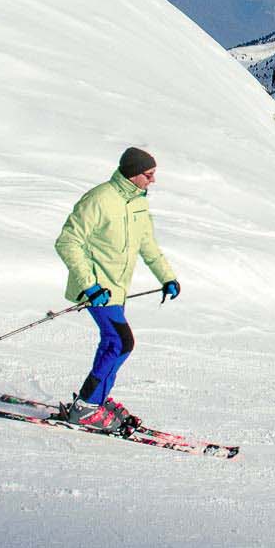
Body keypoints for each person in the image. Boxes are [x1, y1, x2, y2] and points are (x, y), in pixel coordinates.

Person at [53, 147, 180, 432]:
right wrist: (90, 285)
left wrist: (167, 277)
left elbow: (147, 244)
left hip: (118, 290)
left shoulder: (138, 204)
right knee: (120, 342)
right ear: (133, 174)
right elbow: (67, 242)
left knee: (113, 343)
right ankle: (87, 408)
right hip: (97, 289)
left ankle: (96, 400)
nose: (153, 181)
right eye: (149, 175)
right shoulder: (99, 199)